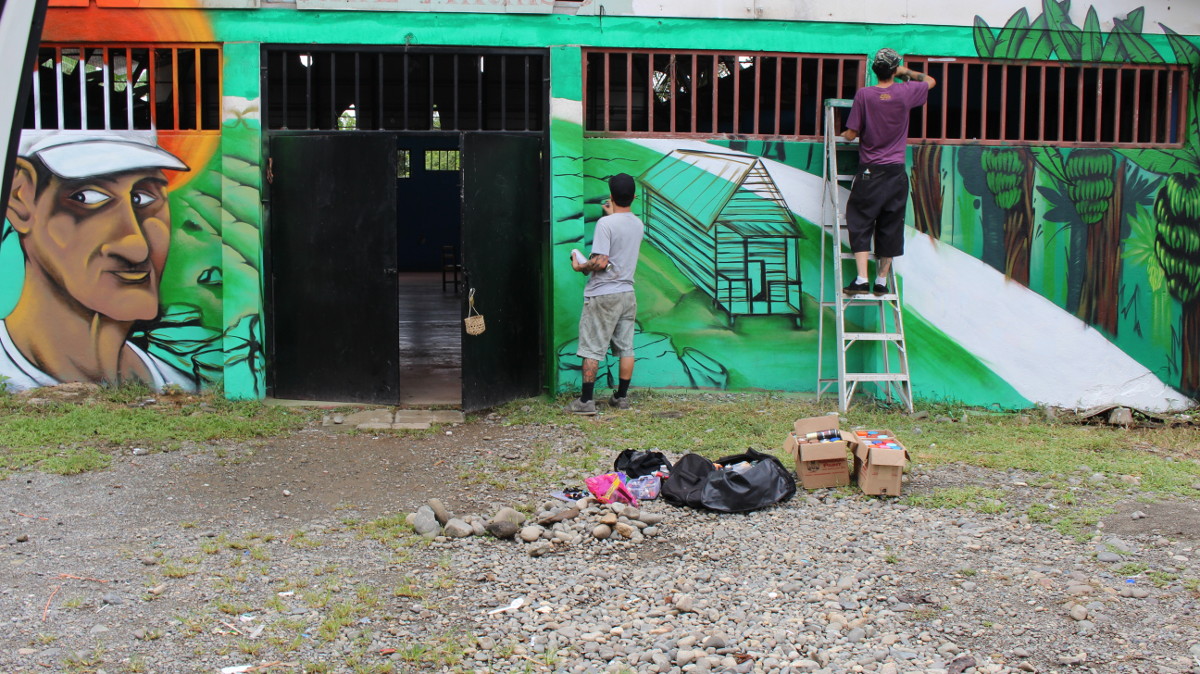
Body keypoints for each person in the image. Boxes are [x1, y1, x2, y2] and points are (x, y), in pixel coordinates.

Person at [2, 130, 198, 392]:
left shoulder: (178, 384)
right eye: (87, 197)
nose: (137, 248)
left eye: (143, 198)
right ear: (20, 198)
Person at [841, 48, 936, 296]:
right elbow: (930, 81)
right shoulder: (906, 93)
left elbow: (851, 134)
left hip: (870, 172)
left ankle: (862, 278)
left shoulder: (864, 95)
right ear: (895, 70)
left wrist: (845, 135)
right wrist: (907, 72)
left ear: (874, 70)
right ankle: (881, 282)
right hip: (896, 173)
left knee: (860, 221)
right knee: (891, 225)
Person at [566, 173, 644, 415]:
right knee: (626, 347)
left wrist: (580, 265)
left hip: (603, 294)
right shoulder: (638, 223)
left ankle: (586, 401)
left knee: (591, 347)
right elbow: (622, 232)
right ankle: (621, 397)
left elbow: (600, 262)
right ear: (633, 197)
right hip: (627, 294)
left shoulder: (605, 225)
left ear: (611, 196)